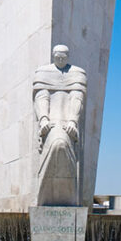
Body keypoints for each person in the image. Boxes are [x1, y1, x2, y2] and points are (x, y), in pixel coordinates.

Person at [33, 45, 87, 206]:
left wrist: (72, 121)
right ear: (53, 56)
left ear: (68, 56)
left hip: (69, 123)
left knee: (62, 143)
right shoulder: (44, 72)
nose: (61, 60)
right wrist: (43, 119)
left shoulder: (77, 73)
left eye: (64, 57)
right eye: (58, 57)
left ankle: (68, 197)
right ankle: (43, 195)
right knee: (57, 143)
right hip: (50, 123)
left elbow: (77, 98)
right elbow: (41, 96)